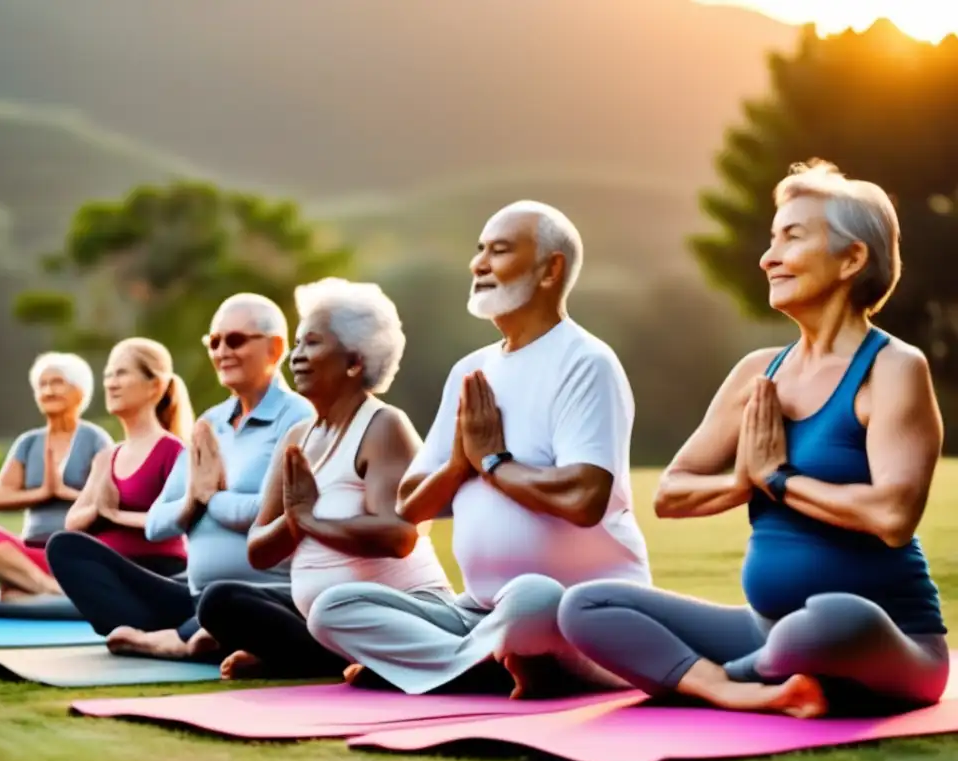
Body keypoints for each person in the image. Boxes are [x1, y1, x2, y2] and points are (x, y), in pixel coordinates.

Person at [558, 160, 949, 719]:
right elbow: (671, 493)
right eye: (771, 239)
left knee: (832, 619)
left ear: (852, 258)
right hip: (761, 627)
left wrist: (780, 479)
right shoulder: (757, 373)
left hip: (885, 642)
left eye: (792, 237)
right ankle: (740, 688)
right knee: (584, 605)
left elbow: (893, 516)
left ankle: (718, 677)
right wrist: (746, 480)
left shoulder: (892, 368)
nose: (768, 257)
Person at [307, 201, 652, 698]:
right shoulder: (471, 371)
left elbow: (585, 499)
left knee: (534, 597)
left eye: (499, 250)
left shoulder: (586, 362)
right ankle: (481, 664)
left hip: (577, 608)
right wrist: (456, 465)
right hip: (476, 610)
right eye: (479, 250)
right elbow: (409, 505)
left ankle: (446, 663)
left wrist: (493, 462)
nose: (479, 264)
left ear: (550, 269)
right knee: (334, 608)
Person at [198, 277, 454, 680]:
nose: (296, 356)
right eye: (297, 344)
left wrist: (312, 519)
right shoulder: (297, 437)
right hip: (324, 617)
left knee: (331, 609)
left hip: (402, 611)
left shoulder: (383, 426)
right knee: (219, 602)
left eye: (312, 343)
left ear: (354, 361)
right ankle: (330, 657)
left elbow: (399, 535)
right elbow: (259, 550)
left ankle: (344, 656)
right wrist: (295, 519)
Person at [44, 294, 312, 659]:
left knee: (223, 600)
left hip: (258, 596)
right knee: (67, 549)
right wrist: (191, 502)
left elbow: (273, 510)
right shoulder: (211, 422)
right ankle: (195, 635)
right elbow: (157, 523)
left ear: (275, 348)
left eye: (234, 340)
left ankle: (181, 640)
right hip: (191, 595)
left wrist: (210, 497)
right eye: (213, 342)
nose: (221, 352)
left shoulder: (297, 418)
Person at [0, 352, 113, 600]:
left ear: (80, 391)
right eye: (42, 385)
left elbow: (107, 502)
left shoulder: (95, 439)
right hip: (31, 554)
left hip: (76, 554)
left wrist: (64, 492)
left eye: (57, 382)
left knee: (13, 595)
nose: (48, 391)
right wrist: (43, 493)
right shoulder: (28, 442)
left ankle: (32, 587)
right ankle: (50, 589)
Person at [48, 338, 194, 585]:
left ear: (154, 386)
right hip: (108, 565)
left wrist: (114, 514)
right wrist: (98, 510)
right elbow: (72, 521)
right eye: (108, 375)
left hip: (157, 571)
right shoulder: (107, 456)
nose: (110, 384)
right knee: (61, 546)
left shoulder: (173, 450)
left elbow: (180, 518)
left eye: (121, 373)